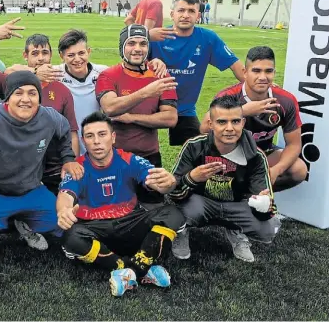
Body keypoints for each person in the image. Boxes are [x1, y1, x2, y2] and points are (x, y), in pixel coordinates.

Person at [0, 71, 84, 258]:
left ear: (39, 97)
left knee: (59, 222)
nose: (26, 99)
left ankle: (25, 224)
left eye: (32, 93)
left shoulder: (49, 117)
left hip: (31, 190)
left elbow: (64, 131)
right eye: (18, 93)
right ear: (7, 97)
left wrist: (68, 158)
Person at [58, 111, 183, 297]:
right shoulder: (78, 167)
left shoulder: (129, 159)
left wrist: (167, 183)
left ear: (113, 137)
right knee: (70, 237)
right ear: (84, 141)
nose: (96, 141)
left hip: (130, 224)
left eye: (102, 134)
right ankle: (138, 268)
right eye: (90, 136)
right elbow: (66, 194)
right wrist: (64, 211)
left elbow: (156, 180)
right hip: (96, 230)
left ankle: (130, 272)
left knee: (173, 214)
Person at [169, 95, 279, 263]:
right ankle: (182, 231)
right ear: (211, 124)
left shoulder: (256, 156)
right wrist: (192, 178)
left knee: (268, 228)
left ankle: (235, 230)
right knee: (174, 211)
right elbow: (172, 194)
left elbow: (266, 207)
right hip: (200, 203)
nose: (229, 128)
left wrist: (264, 204)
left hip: (236, 205)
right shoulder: (194, 146)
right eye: (222, 122)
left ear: (243, 123)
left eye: (235, 121)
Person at [0, 20, 80, 192]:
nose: (41, 58)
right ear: (25, 56)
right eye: (35, 53)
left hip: (52, 170)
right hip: (16, 171)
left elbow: (71, 132)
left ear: (51, 55)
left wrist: (71, 163)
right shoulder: (12, 83)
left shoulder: (62, 90)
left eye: (45, 53)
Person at [200, 46, 307, 191]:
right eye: (256, 71)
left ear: (274, 72)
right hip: (227, 156)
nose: (263, 77)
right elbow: (204, 129)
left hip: (262, 154)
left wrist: (277, 170)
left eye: (268, 71)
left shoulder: (285, 100)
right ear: (245, 72)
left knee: (298, 169)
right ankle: (228, 194)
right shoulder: (228, 96)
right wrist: (241, 111)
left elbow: (294, 144)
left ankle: (253, 195)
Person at [96, 25, 178, 208]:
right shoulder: (108, 75)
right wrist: (146, 92)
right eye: (131, 43)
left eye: (143, 43)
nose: (137, 48)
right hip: (114, 158)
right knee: (112, 211)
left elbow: (170, 118)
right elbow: (110, 107)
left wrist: (132, 117)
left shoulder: (160, 74)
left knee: (154, 210)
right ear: (122, 47)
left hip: (149, 157)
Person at [148, 0, 245, 146]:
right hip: (150, 104)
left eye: (191, 11)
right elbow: (127, 56)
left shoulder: (207, 38)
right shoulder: (156, 37)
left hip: (184, 108)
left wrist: (261, 87)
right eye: (181, 10)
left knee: (197, 151)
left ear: (198, 15)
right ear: (172, 14)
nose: (186, 15)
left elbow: (236, 66)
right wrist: (146, 37)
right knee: (138, 148)